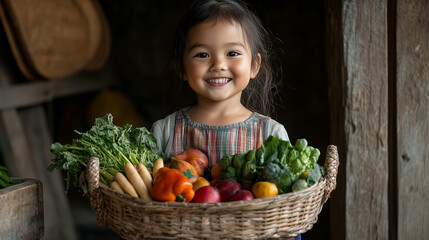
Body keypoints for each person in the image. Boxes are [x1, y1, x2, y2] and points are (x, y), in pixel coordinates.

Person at [151, 1, 300, 239]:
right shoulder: (166, 131)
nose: (218, 64)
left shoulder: (270, 133)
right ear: (181, 68)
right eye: (202, 54)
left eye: (232, 53)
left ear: (254, 65)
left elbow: (290, 206)